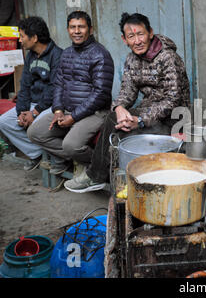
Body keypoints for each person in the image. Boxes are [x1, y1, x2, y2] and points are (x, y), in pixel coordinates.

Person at [63, 12, 190, 193]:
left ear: (150, 33)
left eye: (140, 34)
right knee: (115, 118)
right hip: (149, 116)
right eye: (131, 36)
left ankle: (99, 177)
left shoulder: (168, 58)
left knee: (122, 131)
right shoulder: (131, 59)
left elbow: (172, 100)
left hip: (174, 119)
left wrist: (139, 120)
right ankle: (100, 178)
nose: (137, 41)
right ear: (124, 39)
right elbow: (127, 92)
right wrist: (120, 108)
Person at [28, 11, 114, 176]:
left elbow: (101, 93)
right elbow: (59, 84)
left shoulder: (101, 55)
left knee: (71, 145)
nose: (77, 31)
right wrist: (58, 110)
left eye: (81, 27)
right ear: (67, 29)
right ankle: (79, 162)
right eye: (72, 27)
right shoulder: (66, 53)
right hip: (67, 109)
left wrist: (73, 117)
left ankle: (101, 167)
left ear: (90, 29)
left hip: (94, 113)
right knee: (35, 132)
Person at [0, 16, 62, 171]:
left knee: (37, 126)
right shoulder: (30, 56)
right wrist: (22, 111)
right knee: (4, 121)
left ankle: (56, 157)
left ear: (34, 38)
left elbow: (54, 88)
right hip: (32, 104)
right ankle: (37, 154)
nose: (20, 40)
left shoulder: (58, 55)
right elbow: (25, 85)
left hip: (50, 106)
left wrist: (34, 113)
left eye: (22, 36)